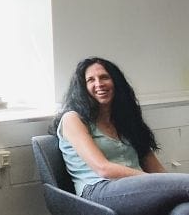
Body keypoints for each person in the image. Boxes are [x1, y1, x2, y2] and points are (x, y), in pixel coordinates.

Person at [54, 56, 189, 215]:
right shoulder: (73, 119)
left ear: (116, 82)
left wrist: (162, 184)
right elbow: (103, 169)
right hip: (98, 191)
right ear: (83, 87)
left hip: (139, 189)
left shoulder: (126, 120)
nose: (99, 84)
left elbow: (156, 168)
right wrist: (154, 183)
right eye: (91, 80)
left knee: (184, 209)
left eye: (104, 77)